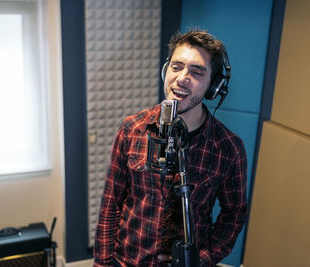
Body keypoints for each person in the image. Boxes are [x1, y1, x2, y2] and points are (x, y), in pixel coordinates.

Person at [93, 30, 247, 267]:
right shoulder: (132, 129)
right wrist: (102, 264)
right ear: (166, 71)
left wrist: (201, 260)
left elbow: (234, 215)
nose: (182, 78)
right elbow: (110, 204)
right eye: (176, 67)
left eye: (196, 72)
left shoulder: (228, 148)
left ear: (213, 86)